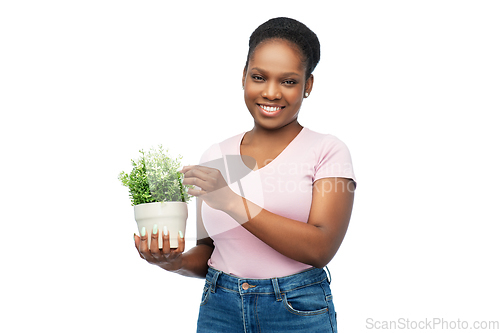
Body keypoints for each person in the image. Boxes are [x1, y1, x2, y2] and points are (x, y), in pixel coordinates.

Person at [134, 17, 356, 333]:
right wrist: (173, 261)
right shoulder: (215, 155)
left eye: (288, 81)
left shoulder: (327, 151)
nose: (271, 92)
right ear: (243, 77)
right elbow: (208, 251)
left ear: (308, 85)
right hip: (219, 307)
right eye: (259, 77)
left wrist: (230, 201)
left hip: (296, 310)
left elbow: (320, 248)